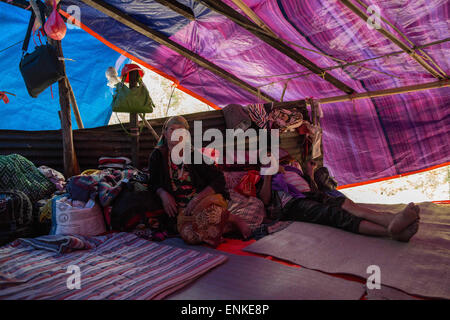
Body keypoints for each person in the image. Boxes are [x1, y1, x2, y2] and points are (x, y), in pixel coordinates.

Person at [257, 152, 420, 242]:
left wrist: (310, 174)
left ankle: (393, 220)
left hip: (309, 194)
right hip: (292, 204)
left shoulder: (294, 171)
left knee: (348, 204)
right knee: (335, 215)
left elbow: (312, 188)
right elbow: (265, 200)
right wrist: (269, 174)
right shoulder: (264, 177)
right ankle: (392, 233)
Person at [148, 116, 251, 247]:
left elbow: (218, 179)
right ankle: (222, 226)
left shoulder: (194, 155)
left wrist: (197, 200)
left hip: (203, 202)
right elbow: (152, 183)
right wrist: (163, 194)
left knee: (210, 213)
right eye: (172, 129)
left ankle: (233, 218)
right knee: (190, 236)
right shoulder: (157, 156)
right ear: (165, 133)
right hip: (181, 209)